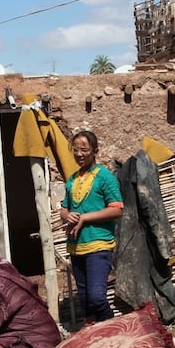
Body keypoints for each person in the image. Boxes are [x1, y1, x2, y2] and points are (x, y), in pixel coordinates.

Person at [60, 131, 124, 324]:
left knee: (97, 297)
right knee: (86, 300)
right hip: (76, 246)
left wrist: (85, 218)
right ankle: (93, 338)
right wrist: (67, 215)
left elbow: (117, 209)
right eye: (76, 149)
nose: (79, 154)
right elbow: (64, 208)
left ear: (95, 151)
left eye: (84, 150)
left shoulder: (104, 177)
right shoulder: (72, 180)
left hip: (98, 244)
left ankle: (113, 329)